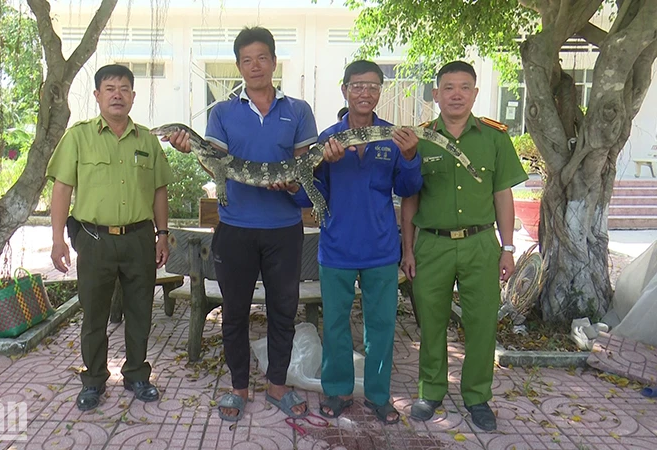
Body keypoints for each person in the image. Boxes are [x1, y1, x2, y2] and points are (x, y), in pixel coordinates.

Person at [166, 26, 317, 422]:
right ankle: (238, 388)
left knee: (283, 311)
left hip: (284, 230)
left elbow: (305, 172)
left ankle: (278, 387)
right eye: (246, 60)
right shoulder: (222, 113)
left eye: (261, 58)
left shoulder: (298, 111)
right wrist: (192, 148)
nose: (255, 66)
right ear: (238, 65)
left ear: (273, 61)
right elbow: (215, 162)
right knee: (233, 312)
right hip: (234, 230)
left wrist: (293, 186)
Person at [292, 60, 422, 424]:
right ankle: (337, 391)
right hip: (337, 248)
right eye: (357, 86)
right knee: (335, 324)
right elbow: (307, 198)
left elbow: (408, 189)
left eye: (372, 86)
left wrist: (411, 157)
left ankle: (379, 396)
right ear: (345, 89)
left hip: (381, 248)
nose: (365, 93)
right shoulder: (328, 138)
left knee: (381, 326)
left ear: (380, 91)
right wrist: (317, 166)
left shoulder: (394, 137)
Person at [400, 61, 528, 431]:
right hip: (433, 246)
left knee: (482, 322)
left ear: (474, 92)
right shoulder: (418, 139)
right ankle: (431, 390)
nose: (456, 94)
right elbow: (410, 199)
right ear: (436, 94)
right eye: (448, 87)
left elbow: (502, 194)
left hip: (480, 245)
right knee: (431, 321)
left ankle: (477, 396)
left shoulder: (494, 137)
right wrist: (408, 250)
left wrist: (508, 247)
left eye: (464, 87)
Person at [47, 64, 174, 412]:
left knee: (140, 312)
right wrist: (58, 239)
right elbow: (62, 188)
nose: (117, 94)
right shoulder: (78, 136)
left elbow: (159, 191)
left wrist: (162, 234)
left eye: (124, 88)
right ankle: (94, 380)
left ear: (133, 96)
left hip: (138, 240)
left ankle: (136, 374)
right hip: (94, 239)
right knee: (94, 315)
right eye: (109, 88)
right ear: (97, 95)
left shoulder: (147, 140)